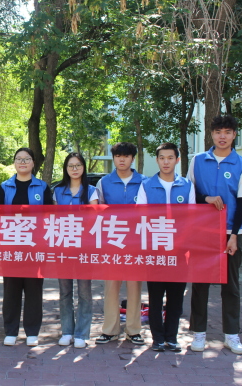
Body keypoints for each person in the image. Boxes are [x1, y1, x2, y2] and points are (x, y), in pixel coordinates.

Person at [187, 115, 242, 355]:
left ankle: (232, 335)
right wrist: (205, 198)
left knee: (231, 285)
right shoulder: (198, 161)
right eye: (218, 132)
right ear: (212, 134)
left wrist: (234, 235)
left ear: (234, 135)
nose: (222, 136)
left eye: (227, 132)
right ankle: (198, 332)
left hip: (230, 232)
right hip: (202, 233)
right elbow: (189, 194)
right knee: (200, 284)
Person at [136, 143, 195, 352]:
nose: (166, 162)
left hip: (179, 252)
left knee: (176, 298)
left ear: (177, 160)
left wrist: (181, 242)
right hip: (155, 251)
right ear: (157, 160)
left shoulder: (187, 185)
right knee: (155, 297)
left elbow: (192, 218)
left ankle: (172, 337)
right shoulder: (147, 185)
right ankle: (158, 338)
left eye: (170, 158)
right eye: (162, 158)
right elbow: (141, 217)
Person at [0, 148, 53, 347]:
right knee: (11, 290)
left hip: (35, 248)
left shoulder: (42, 187)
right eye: (19, 159)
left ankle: (32, 332)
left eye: (27, 159)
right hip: (10, 247)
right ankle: (10, 331)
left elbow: (49, 217)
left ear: (33, 163)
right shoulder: (5, 187)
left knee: (34, 290)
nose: (23, 162)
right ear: (14, 162)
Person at [95, 142, 146, 346]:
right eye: (118, 156)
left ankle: (133, 331)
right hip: (112, 242)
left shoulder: (144, 182)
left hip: (136, 242)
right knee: (111, 288)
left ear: (133, 158)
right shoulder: (104, 182)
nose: (122, 159)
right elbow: (97, 212)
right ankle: (110, 330)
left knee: (134, 287)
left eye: (126, 156)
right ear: (114, 158)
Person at [53, 152, 98, 348]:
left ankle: (82, 333)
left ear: (83, 167)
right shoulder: (58, 191)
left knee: (84, 292)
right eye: (71, 165)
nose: (74, 169)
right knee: (65, 292)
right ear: (66, 168)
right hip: (63, 247)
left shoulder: (92, 191)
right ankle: (67, 331)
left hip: (84, 248)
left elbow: (93, 220)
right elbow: (54, 219)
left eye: (78, 165)